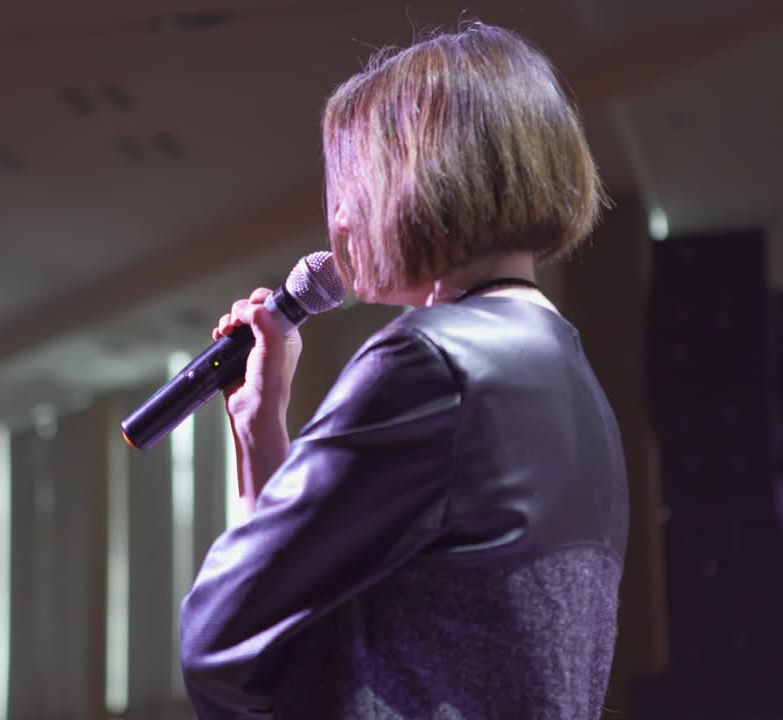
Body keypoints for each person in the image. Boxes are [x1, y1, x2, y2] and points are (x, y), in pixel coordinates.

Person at [179, 22, 629, 720]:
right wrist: (259, 425)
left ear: (425, 178)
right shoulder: (575, 381)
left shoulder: (431, 364)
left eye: (356, 179)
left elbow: (221, 633)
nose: (340, 218)